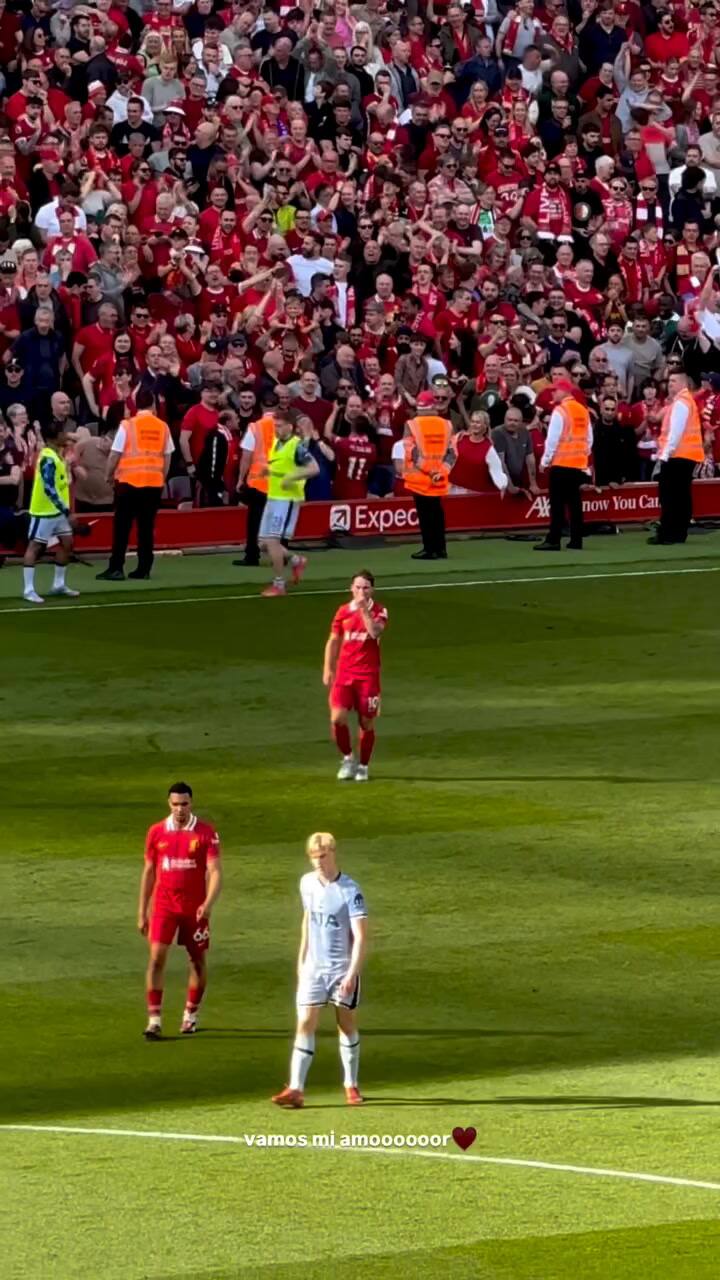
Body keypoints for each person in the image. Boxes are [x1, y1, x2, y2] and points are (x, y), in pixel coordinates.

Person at [272, 832, 367, 1109]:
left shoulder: (350, 890)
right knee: (305, 1022)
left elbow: (360, 936)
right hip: (314, 968)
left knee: (345, 1024)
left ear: (333, 853)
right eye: (314, 857)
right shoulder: (306, 884)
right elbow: (308, 920)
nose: (318, 862)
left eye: (323, 856)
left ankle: (351, 1084)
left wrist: (351, 974)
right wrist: (302, 960)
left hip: (341, 969)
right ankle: (296, 1088)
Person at [137, 782, 222, 1040]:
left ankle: (190, 1015)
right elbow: (149, 872)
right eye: (175, 804)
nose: (180, 809)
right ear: (169, 804)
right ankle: (154, 1021)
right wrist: (142, 910)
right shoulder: (156, 833)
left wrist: (207, 904)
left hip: (194, 909)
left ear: (191, 803)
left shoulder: (206, 833)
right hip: (164, 906)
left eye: (184, 804)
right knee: (155, 959)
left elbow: (215, 871)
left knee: (196, 961)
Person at [96, 388, 173, 582]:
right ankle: (144, 567)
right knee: (146, 528)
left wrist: (108, 475)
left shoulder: (128, 425)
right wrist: (161, 478)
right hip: (153, 484)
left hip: (128, 483)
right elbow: (167, 455)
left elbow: (115, 453)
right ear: (153, 404)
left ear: (135, 404)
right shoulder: (162, 426)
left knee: (122, 527)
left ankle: (116, 568)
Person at [323, 570, 388, 783]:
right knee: (337, 717)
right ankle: (348, 758)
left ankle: (363, 766)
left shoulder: (379, 611)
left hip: (368, 676)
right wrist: (328, 668)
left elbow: (374, 633)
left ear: (372, 590)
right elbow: (333, 639)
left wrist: (363, 611)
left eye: (365, 587)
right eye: (357, 587)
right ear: (351, 588)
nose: (361, 591)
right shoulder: (342, 611)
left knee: (366, 722)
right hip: (345, 673)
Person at [258, 413, 319, 597]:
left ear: (290, 427)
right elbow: (282, 466)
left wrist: (292, 477)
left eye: (279, 425)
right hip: (273, 497)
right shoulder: (277, 444)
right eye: (275, 425)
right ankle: (295, 560)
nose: (276, 429)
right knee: (262, 543)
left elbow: (314, 468)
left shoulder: (296, 446)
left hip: (286, 500)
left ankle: (279, 584)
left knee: (273, 541)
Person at [22, 421, 80, 605]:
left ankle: (58, 584)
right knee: (35, 547)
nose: (66, 436)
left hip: (58, 511)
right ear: (54, 438)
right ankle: (28, 589)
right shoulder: (47, 458)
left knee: (67, 543)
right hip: (44, 511)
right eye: (62, 433)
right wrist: (67, 511)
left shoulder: (58, 455)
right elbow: (49, 488)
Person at [648, 370, 704, 545]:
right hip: (685, 455)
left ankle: (668, 533)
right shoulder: (685, 401)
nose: (670, 383)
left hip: (677, 455)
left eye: (673, 381)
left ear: (682, 383)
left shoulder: (681, 403)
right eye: (669, 380)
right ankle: (678, 533)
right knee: (681, 496)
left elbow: (676, 432)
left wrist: (665, 454)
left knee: (670, 496)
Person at [536, 381, 592, 551]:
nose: (553, 394)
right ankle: (576, 540)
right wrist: (583, 455)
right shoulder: (583, 410)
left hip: (561, 464)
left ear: (563, 392)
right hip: (578, 464)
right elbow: (589, 439)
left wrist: (545, 460)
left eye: (555, 391)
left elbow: (552, 439)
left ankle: (553, 539)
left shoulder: (560, 411)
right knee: (575, 504)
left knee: (558, 505)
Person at [401, 390, 455, 560]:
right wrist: (441, 472)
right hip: (439, 478)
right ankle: (441, 549)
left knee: (425, 516)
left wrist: (428, 470)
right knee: (437, 514)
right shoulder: (447, 424)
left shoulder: (412, 424)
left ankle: (429, 549)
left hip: (420, 478)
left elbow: (412, 452)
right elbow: (452, 453)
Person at [232, 410, 275, 569]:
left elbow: (247, 455)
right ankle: (281, 555)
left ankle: (252, 555)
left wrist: (241, 479)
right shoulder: (285, 427)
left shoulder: (256, 427)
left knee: (254, 521)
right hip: (279, 482)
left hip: (259, 482)